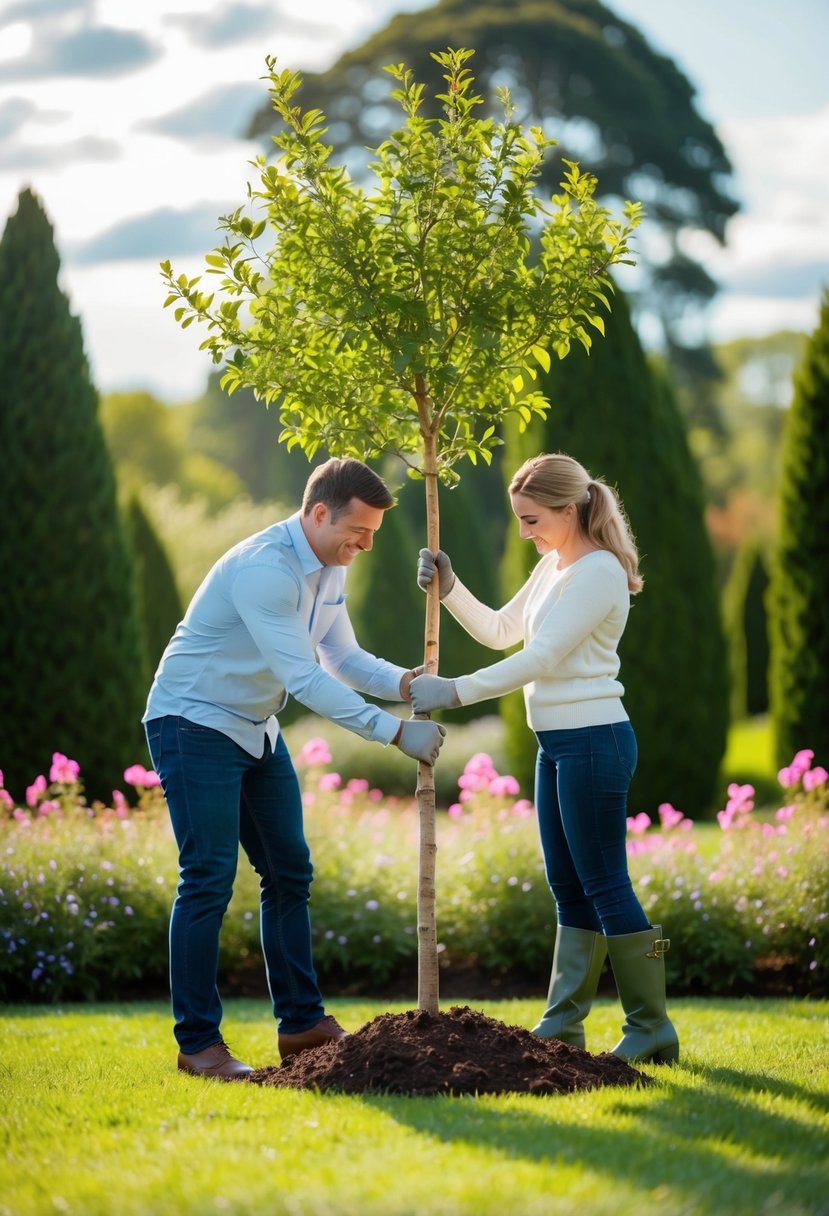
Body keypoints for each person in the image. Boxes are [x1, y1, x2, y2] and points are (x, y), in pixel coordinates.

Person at [144, 457, 445, 1080]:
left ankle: (302, 1025)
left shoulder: (327, 567)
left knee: (289, 872)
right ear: (317, 513)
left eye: (373, 535)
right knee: (207, 877)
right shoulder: (265, 570)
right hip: (192, 721)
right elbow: (303, 677)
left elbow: (340, 655)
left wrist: (404, 684)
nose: (364, 545)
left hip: (253, 727)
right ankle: (198, 1044)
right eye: (357, 531)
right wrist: (393, 732)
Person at [411, 453, 678, 1065]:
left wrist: (453, 691)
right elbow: (506, 631)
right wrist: (450, 589)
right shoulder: (555, 565)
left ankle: (652, 1026)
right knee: (568, 889)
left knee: (607, 884)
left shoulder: (598, 571)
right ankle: (564, 1025)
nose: (525, 533)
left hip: (594, 740)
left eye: (532, 520)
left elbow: (543, 658)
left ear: (568, 509)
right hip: (556, 744)